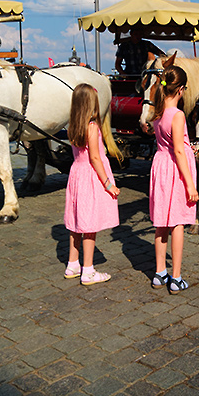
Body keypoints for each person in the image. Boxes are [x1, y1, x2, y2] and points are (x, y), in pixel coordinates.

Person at [63, 83, 120, 285]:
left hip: (76, 175)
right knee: (89, 225)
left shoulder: (73, 126)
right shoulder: (92, 127)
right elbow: (95, 158)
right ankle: (88, 270)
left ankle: (72, 264)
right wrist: (107, 184)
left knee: (76, 224)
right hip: (90, 178)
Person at [148, 65, 197, 294]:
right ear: (181, 90)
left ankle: (160, 273)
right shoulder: (177, 115)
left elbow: (172, 146)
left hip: (161, 168)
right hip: (176, 172)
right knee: (177, 223)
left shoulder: (158, 115)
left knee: (161, 223)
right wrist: (190, 184)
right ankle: (176, 277)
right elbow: (178, 151)